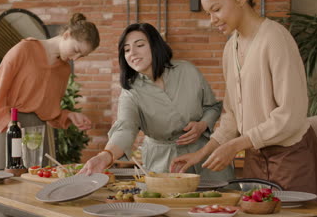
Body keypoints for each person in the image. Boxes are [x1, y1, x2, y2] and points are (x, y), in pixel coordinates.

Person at [170, 0, 317, 202]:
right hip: (255, 159)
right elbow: (233, 115)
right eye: (207, 13)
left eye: (216, 9)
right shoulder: (230, 48)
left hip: (291, 158)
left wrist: (235, 146)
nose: (212, 20)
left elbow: (291, 114)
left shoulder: (275, 39)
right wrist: (201, 153)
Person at [79, 22, 234, 182]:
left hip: (205, 155)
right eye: (126, 49)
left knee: (218, 204)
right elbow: (125, 128)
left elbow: (212, 107)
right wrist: (105, 156)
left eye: (139, 45)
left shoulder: (187, 70)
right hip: (164, 164)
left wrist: (202, 125)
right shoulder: (130, 92)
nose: (132, 53)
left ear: (155, 45)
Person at [0, 12, 100, 170]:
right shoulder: (24, 49)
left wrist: (70, 115)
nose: (75, 58)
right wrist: (9, 124)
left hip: (38, 133)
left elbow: (49, 112)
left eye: (82, 56)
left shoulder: (64, 70)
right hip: (8, 127)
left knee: (35, 189)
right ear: (66, 35)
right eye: (75, 50)